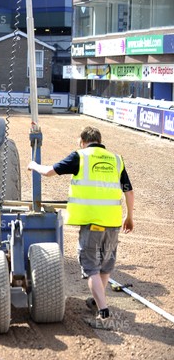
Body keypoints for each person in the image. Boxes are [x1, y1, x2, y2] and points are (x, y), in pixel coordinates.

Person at [27, 126, 134, 329]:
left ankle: (103, 314)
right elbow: (129, 191)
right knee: (104, 266)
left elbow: (50, 171)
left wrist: (33, 164)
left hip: (92, 223)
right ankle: (97, 302)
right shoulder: (116, 159)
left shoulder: (81, 156)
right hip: (113, 223)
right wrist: (129, 216)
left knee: (91, 267)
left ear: (83, 141)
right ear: (100, 140)